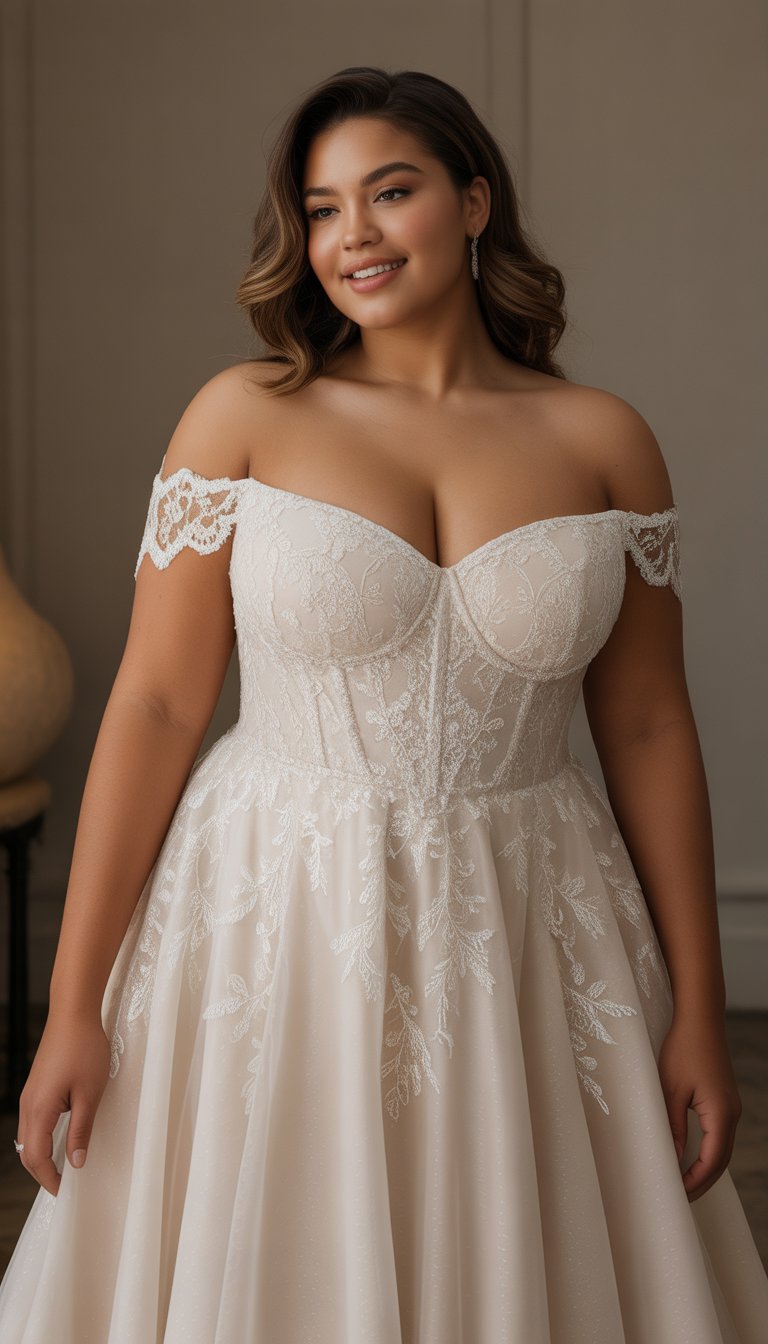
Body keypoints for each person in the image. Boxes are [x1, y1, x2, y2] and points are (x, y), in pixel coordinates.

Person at [1, 64, 766, 1343]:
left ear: (474, 202)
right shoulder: (241, 417)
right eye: (322, 208)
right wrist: (71, 1004)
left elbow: (647, 726)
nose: (352, 234)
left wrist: (700, 1002)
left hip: (533, 918)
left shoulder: (603, 439)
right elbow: (156, 705)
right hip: (275, 913)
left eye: (390, 192)